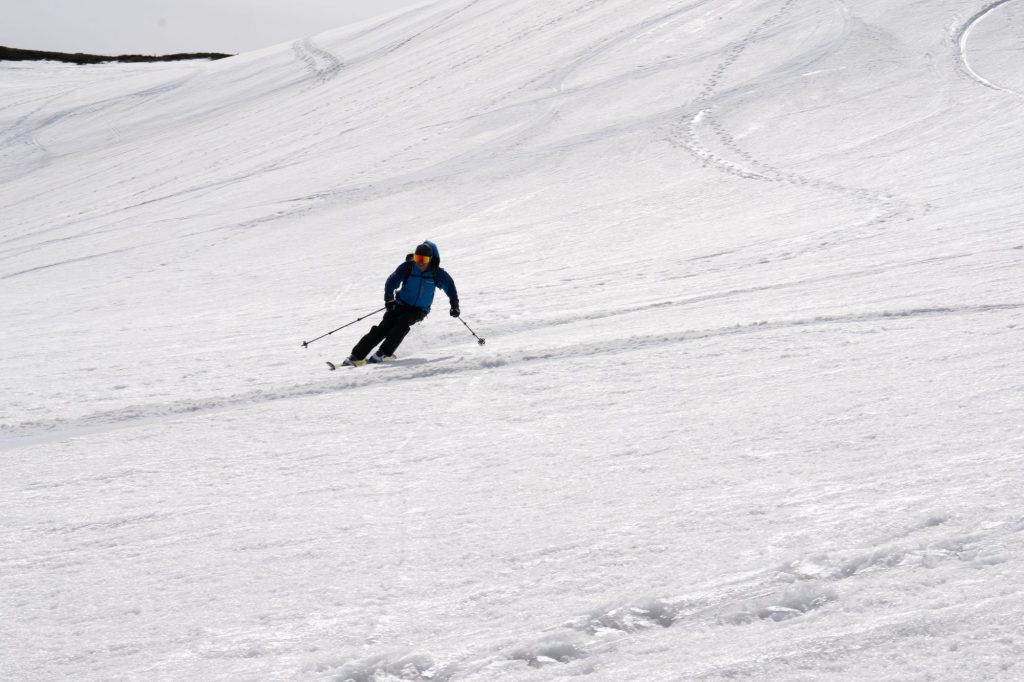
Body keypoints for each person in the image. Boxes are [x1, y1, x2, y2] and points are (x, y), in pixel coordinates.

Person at [341, 240, 459, 366]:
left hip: (419, 310)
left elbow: (450, 287)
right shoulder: (408, 267)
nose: (420, 262)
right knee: (383, 327)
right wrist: (389, 298)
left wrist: (454, 305)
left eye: (423, 260)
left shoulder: (436, 273)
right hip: (401, 304)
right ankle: (356, 355)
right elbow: (392, 281)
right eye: (417, 258)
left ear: (430, 259)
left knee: (402, 322)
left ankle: (384, 353)